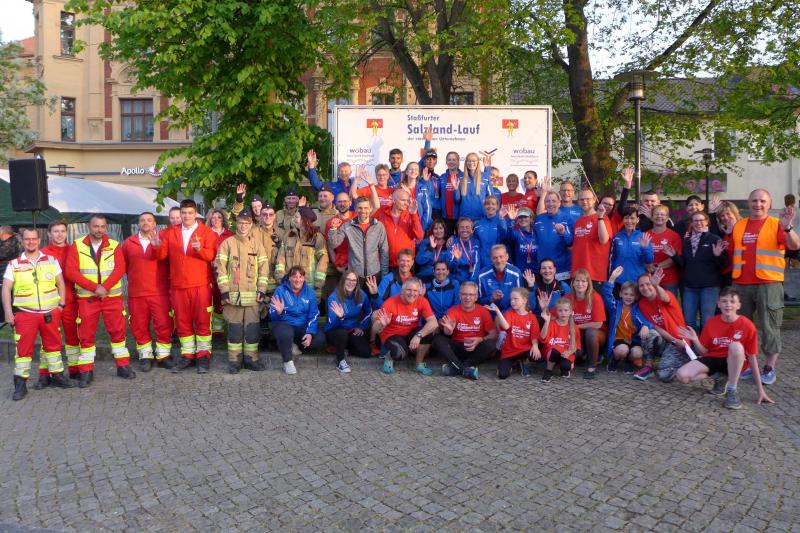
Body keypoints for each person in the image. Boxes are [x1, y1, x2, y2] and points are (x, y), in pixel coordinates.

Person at [732, 189, 799, 384]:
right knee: (741, 328)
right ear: (748, 202)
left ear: (769, 204)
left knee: (770, 327)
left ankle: (769, 369)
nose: (758, 204)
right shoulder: (739, 225)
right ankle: (746, 365)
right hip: (740, 283)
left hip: (768, 284)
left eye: (762, 201)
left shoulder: (777, 224)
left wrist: (788, 228)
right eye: (754, 200)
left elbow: (795, 246)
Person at [2, 228, 72, 400]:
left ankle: (58, 376)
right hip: (25, 314)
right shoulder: (14, 264)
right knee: (23, 350)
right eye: (27, 239)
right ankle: (20, 385)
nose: (31, 242)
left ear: (39, 240)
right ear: (22, 241)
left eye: (34, 239)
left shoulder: (51, 260)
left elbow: (60, 283)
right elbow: (6, 289)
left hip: (50, 312)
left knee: (53, 346)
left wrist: (61, 305)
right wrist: (8, 312)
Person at [65, 213, 134, 385]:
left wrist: (105, 287)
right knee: (86, 335)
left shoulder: (114, 245)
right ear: (89, 227)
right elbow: (71, 272)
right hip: (88, 298)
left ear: (106, 227)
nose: (99, 230)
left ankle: (123, 366)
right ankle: (86, 370)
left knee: (118, 332)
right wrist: (95, 288)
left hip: (112, 298)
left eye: (103, 226)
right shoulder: (77, 245)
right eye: (96, 226)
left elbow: (120, 268)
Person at [676, 288, 773, 409]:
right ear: (718, 304)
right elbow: (704, 352)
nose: (728, 305)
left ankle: (732, 390)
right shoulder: (711, 322)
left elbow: (752, 358)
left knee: (735, 346)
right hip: (714, 358)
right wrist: (695, 339)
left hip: (736, 361)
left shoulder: (747, 325)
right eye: (724, 301)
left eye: (732, 301)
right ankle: (720, 377)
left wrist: (760, 390)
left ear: (738, 305)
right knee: (682, 375)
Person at [153, 199, 218, 373]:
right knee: (182, 322)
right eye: (183, 213)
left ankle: (203, 356)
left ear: (195, 214)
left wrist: (200, 249)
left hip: (200, 285)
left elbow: (212, 255)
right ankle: (187, 355)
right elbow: (162, 256)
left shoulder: (206, 232)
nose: (186, 216)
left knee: (203, 321)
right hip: (178, 285)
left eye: (190, 213)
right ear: (180, 214)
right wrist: (157, 247)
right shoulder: (170, 232)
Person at [216, 210, 270, 374]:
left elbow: (264, 270)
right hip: (233, 298)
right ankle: (235, 361)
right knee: (234, 331)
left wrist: (262, 290)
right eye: (240, 223)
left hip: (253, 298)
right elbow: (220, 269)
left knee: (252, 331)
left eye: (247, 223)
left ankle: (251, 359)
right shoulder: (227, 244)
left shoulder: (257, 245)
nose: (243, 226)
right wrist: (224, 291)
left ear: (251, 225)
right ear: (236, 224)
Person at [122, 212, 175, 372]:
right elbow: (125, 266)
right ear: (138, 223)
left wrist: (157, 246)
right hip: (137, 293)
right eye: (142, 220)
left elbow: (165, 258)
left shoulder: (162, 240)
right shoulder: (129, 243)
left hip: (159, 291)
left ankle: (163, 355)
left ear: (155, 224)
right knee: (139, 325)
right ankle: (145, 356)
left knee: (164, 324)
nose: (145, 223)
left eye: (149, 220)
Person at [665, 211, 728, 331]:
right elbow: (684, 263)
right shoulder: (687, 241)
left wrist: (718, 255)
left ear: (707, 222)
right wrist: (674, 255)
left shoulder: (714, 239)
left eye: (701, 220)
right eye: (696, 221)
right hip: (690, 287)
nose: (699, 223)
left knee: (707, 321)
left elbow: (724, 264)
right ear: (692, 223)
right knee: (688, 321)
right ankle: (691, 343)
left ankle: (706, 343)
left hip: (709, 287)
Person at [40, 220, 80, 387]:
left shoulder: (74, 250)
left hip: (71, 301)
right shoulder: (42, 253)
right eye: (56, 231)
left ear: (66, 232)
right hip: (49, 302)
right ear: (49, 234)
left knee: (73, 336)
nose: (59, 234)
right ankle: (45, 374)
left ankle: (75, 370)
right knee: (48, 338)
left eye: (62, 231)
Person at [372, 277, 438, 375]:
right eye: (409, 290)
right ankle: (389, 357)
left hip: (410, 333)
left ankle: (419, 364)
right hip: (392, 334)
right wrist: (381, 323)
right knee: (400, 354)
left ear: (419, 292)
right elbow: (375, 329)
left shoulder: (422, 301)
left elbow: (434, 323)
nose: (412, 293)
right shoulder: (390, 302)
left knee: (428, 332)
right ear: (402, 291)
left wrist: (418, 335)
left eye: (415, 291)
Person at [268, 266, 326, 375]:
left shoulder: (309, 292)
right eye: (294, 276)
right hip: (284, 323)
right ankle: (288, 361)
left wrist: (310, 332)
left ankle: (294, 345)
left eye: (300, 277)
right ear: (289, 278)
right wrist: (279, 312)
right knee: (285, 334)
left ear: (304, 278)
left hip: (302, 325)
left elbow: (314, 314)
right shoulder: (280, 290)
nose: (297, 280)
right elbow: (272, 314)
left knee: (319, 338)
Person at [434, 281, 497, 380]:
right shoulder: (453, 310)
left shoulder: (483, 311)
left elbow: (494, 334)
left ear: (476, 297)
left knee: (491, 344)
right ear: (460, 296)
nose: (467, 297)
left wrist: (480, 339)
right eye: (464, 294)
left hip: (475, 348)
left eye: (471, 295)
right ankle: (464, 369)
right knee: (438, 339)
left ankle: (457, 367)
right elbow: (447, 332)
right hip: (458, 348)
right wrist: (449, 330)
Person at [636, 268, 689, 382]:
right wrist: (672, 340)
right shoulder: (642, 304)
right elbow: (656, 327)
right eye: (641, 285)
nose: (645, 288)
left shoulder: (667, 294)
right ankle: (648, 366)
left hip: (679, 343)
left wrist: (656, 286)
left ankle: (684, 361)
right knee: (649, 332)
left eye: (648, 284)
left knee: (664, 376)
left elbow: (665, 298)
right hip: (666, 341)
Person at [603, 268, 654, 379]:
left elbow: (646, 320)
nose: (628, 297)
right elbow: (607, 295)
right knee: (622, 349)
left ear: (636, 296)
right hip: (619, 339)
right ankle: (614, 360)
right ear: (620, 294)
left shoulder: (637, 309)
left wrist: (646, 326)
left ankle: (629, 361)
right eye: (626, 294)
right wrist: (612, 279)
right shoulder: (615, 306)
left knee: (638, 353)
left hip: (633, 340)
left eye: (632, 295)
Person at [328, 196, 389, 282]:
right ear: (355, 209)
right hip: (354, 274)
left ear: (371, 209)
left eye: (366, 208)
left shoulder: (379, 226)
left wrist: (384, 274)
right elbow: (334, 244)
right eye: (360, 208)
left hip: (374, 273)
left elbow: (384, 250)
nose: (363, 211)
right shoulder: (347, 226)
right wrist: (333, 229)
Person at [273, 206, 328, 300]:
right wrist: (280, 277)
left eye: (297, 217)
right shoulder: (288, 235)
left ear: (304, 220)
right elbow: (281, 258)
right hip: (289, 285)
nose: (294, 219)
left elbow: (323, 260)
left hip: (310, 286)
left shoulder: (316, 237)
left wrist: (318, 282)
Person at [324, 271, 372, 372]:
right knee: (342, 333)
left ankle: (342, 347)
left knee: (365, 352)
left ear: (357, 283)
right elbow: (332, 323)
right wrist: (341, 317)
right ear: (343, 280)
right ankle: (340, 361)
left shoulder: (361, 294)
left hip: (351, 330)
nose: (351, 283)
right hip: (334, 330)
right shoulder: (334, 297)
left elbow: (369, 311)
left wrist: (361, 326)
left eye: (354, 280)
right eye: (348, 279)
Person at [492, 287, 541, 379]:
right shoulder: (509, 313)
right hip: (509, 351)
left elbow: (534, 336)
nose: (512, 301)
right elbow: (506, 327)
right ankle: (515, 364)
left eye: (515, 299)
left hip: (524, 349)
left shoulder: (532, 317)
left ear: (524, 300)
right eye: (511, 299)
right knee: (502, 375)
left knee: (536, 356)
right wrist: (498, 311)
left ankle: (523, 361)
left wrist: (535, 346)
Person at [566, 269, 607, 379]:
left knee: (591, 333)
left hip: (597, 334)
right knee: (578, 353)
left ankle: (592, 366)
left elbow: (598, 324)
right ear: (572, 283)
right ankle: (583, 356)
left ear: (588, 283)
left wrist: (576, 326)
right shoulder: (567, 298)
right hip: (577, 335)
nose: (580, 284)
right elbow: (556, 316)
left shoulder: (595, 298)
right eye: (577, 281)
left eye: (583, 281)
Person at [570, 189, 611, 287]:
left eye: (588, 199)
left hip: (595, 274)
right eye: (581, 199)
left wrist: (600, 217)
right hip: (578, 274)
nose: (585, 202)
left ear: (594, 200)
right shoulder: (578, 221)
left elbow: (604, 240)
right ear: (578, 201)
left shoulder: (603, 218)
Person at [374, 188, 424, 268]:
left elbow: (419, 236)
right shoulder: (382, 214)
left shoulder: (411, 214)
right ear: (394, 200)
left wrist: (413, 215)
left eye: (407, 200)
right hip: (386, 264)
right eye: (403, 200)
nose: (406, 203)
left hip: (406, 264)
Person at [322, 192, 355, 302]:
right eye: (340, 202)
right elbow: (330, 246)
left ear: (350, 203)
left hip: (357, 262)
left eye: (345, 201)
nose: (342, 204)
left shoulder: (357, 217)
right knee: (342, 296)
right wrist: (336, 264)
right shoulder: (330, 223)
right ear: (335, 204)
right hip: (341, 264)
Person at [609, 207, 654, 288]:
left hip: (637, 280)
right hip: (619, 280)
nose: (629, 221)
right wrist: (611, 277)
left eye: (632, 218)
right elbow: (612, 259)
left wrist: (645, 248)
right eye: (626, 218)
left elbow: (649, 260)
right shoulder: (617, 236)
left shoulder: (643, 236)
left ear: (637, 220)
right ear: (623, 220)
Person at [534, 190, 573, 280]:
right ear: (544, 203)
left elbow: (571, 243)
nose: (550, 204)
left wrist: (563, 233)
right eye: (548, 201)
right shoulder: (539, 219)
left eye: (553, 201)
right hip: (543, 269)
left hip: (561, 269)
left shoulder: (567, 219)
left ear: (559, 203)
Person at [539, 296, 580, 382]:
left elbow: (576, 346)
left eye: (566, 310)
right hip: (551, 352)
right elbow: (542, 338)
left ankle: (564, 368)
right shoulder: (552, 323)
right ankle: (548, 371)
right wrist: (547, 322)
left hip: (565, 353)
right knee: (555, 350)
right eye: (560, 310)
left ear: (570, 312)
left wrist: (569, 352)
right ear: (556, 312)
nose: (563, 313)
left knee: (566, 366)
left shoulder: (574, 327)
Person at [207, 208, 234, 337]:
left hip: (225, 271)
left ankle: (219, 328)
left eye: (219, 217)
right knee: (208, 299)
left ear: (223, 219)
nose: (216, 220)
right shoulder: (205, 233)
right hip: (208, 271)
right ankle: (209, 326)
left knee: (221, 297)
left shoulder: (230, 234)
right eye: (213, 217)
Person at [646, 205, 682, 297]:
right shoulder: (645, 235)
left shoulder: (674, 236)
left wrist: (656, 266)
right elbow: (640, 255)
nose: (659, 216)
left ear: (667, 218)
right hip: (649, 279)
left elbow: (674, 258)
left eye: (662, 214)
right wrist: (646, 265)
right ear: (651, 217)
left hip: (668, 280)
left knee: (668, 303)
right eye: (656, 214)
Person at [476, 244, 522, 312]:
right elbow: (478, 301)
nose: (499, 261)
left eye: (501, 257)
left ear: (507, 257)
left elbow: (520, 300)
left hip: (510, 313)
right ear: (491, 259)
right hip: (489, 313)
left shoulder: (516, 274)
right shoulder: (482, 275)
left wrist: (502, 315)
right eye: (495, 258)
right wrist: (491, 298)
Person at [473, 195, 509, 270]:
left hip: (499, 262)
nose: (490, 206)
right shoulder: (478, 224)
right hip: (483, 263)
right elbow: (473, 242)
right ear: (484, 206)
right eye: (487, 204)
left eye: (493, 204)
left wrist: (501, 220)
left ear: (497, 207)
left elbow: (506, 238)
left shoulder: (502, 220)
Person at [456, 151, 493, 221]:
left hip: (481, 218)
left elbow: (491, 197)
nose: (471, 163)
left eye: (474, 161)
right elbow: (457, 199)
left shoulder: (485, 177)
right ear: (466, 162)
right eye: (469, 161)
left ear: (478, 162)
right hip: (464, 218)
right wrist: (455, 190)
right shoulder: (460, 177)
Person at [446, 217, 481, 283]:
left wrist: (472, 282)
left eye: (467, 227)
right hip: (456, 280)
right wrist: (456, 260)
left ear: (472, 230)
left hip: (472, 279)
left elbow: (477, 264)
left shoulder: (476, 243)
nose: (464, 230)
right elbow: (450, 268)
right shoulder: (453, 244)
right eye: (462, 227)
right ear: (458, 230)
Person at [715, 200, 741, 288]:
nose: (726, 218)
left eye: (728, 214)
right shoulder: (723, 232)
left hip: (740, 275)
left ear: (735, 214)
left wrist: (734, 231)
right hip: (726, 275)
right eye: (722, 215)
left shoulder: (744, 228)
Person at [0, 225, 21, 325]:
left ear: (3, 233)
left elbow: (2, 254)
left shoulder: (12, 242)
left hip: (8, 276)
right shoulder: (10, 241)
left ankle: (10, 318)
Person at [437, 151, 463, 232]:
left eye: (454, 160)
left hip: (460, 217)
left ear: (458, 162)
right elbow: (437, 195)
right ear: (446, 162)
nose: (451, 162)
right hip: (445, 217)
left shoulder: (464, 177)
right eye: (449, 160)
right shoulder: (442, 177)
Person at [508, 207, 537, 273]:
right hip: (520, 272)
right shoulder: (515, 233)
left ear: (531, 218)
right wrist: (512, 221)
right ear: (518, 219)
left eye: (525, 216)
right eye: (520, 217)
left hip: (536, 272)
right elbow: (509, 237)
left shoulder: (537, 233)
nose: (523, 219)